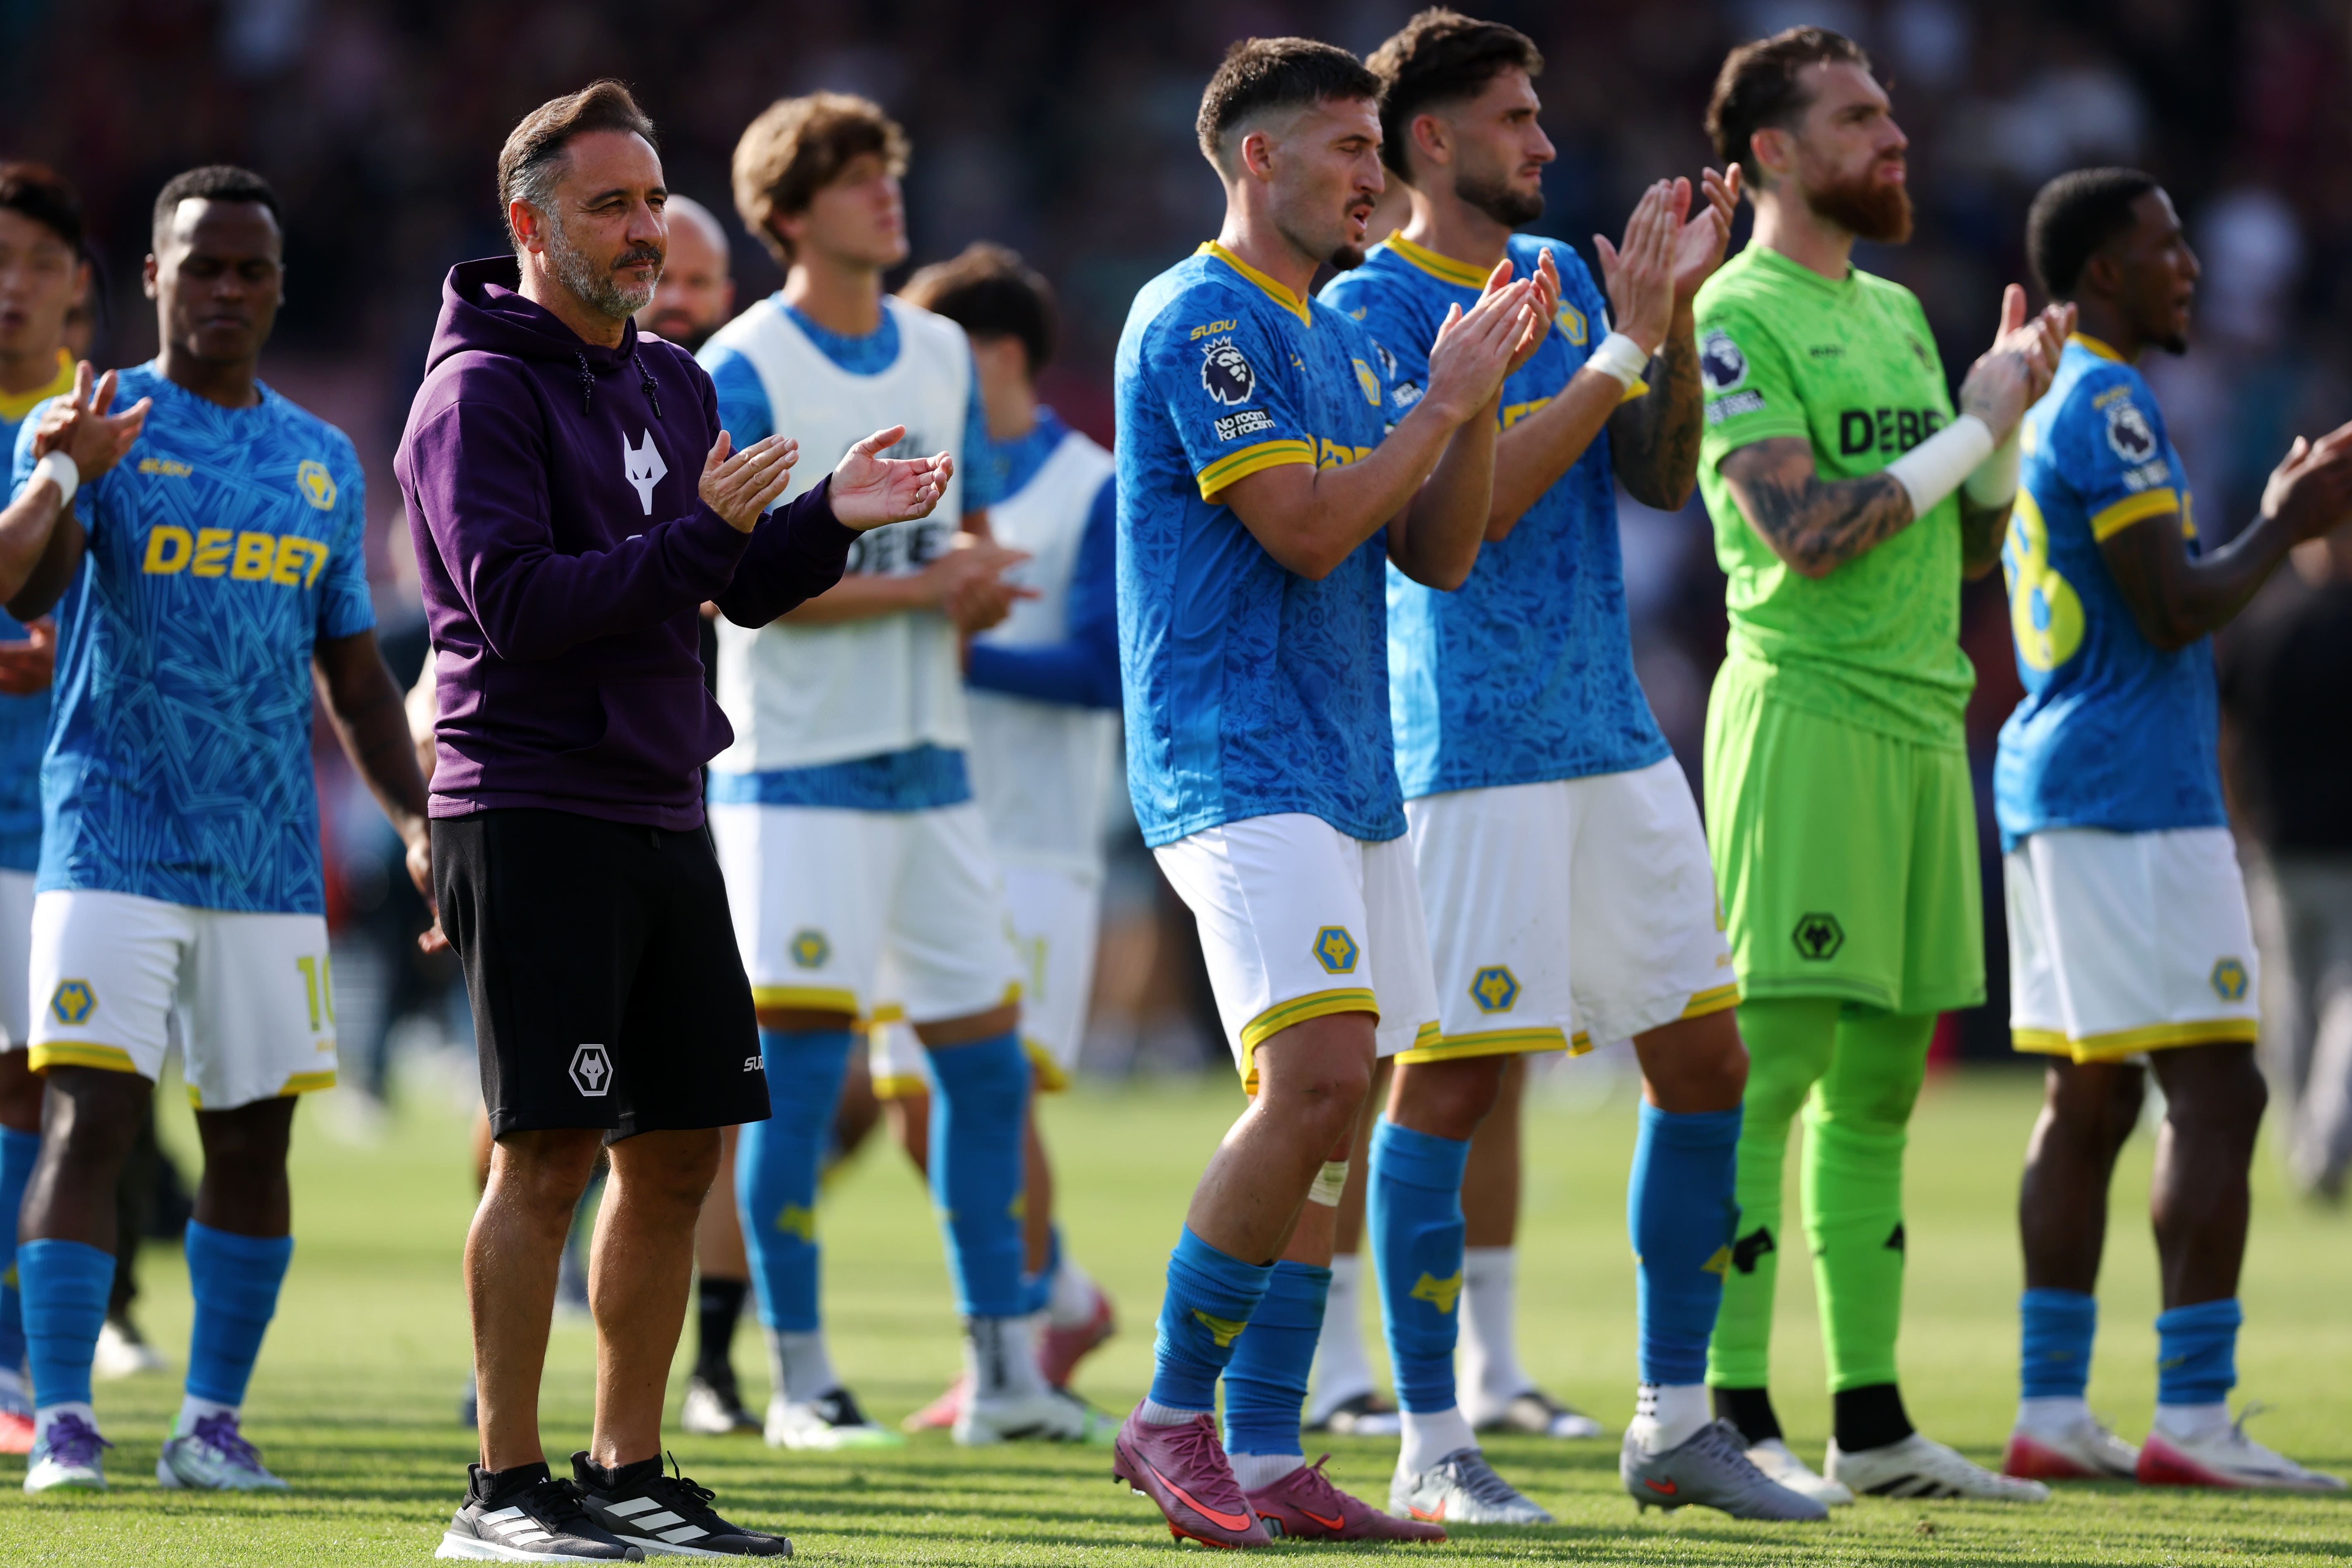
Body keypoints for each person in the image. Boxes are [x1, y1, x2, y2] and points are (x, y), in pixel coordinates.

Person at [399, 82, 953, 1559]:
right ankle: (502, 1493)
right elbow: (516, 611)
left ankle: (626, 1473)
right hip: (530, 800)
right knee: (547, 1152)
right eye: (612, 206)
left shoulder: (667, 377)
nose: (646, 230)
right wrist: (701, 537)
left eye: (653, 202)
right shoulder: (476, 394)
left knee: (681, 1153)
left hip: (660, 799)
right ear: (530, 224)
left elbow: (737, 589)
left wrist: (829, 513)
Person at [1324, 9, 1820, 1524]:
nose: (1545, 144)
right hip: (1465, 747)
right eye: (1516, 121)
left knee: (1704, 1062)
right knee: (1453, 1082)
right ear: (1433, 140)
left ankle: (1672, 1423)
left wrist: (1658, 331)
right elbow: (1453, 544)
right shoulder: (1372, 308)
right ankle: (1428, 1447)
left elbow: (1658, 476)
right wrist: (1613, 350)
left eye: (1541, 119)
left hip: (1607, 732)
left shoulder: (1546, 281)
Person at [1110, 34, 1546, 1547]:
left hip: (1350, 768)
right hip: (1232, 760)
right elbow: (1300, 530)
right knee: (1309, 1083)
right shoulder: (1199, 320)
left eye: (1379, 148)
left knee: (1336, 1111)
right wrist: (1436, 404)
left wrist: (1472, 394)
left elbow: (1434, 552)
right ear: (1259, 161)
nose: (1376, 175)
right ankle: (1167, 1419)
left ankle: (1272, 1448)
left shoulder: (1351, 339)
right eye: (1350, 149)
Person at [2, 163, 419, 1497]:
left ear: (280, 287)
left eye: (250, 269)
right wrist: (69, 469)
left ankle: (211, 1422)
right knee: (92, 1119)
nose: (226, 288)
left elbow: (353, 674)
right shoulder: (94, 419)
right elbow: (30, 586)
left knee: (255, 1138)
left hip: (264, 859)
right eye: (201, 265)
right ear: (151, 279)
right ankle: (63, 1413)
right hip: (110, 836)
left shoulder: (316, 460)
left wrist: (416, 817)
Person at [1693, 27, 2067, 1503]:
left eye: (1888, 107)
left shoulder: (1907, 319)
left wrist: (2002, 437)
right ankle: (1725, 1407)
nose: (1891, 133)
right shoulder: (1737, 307)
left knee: (1878, 1091)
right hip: (1806, 713)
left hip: (1924, 717)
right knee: (1767, 1071)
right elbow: (1808, 530)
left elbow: (1955, 540)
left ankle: (1869, 1423)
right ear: (1771, 153)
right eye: (1857, 116)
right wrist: (1967, 424)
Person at [699, 92, 1078, 1451]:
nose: (887, 196)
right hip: (795, 774)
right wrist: (929, 599)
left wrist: (968, 582)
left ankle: (1005, 1374)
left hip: (933, 772)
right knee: (796, 1089)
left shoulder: (932, 347)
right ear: (789, 212)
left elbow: (953, 526)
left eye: (890, 173)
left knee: (983, 1074)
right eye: (858, 179)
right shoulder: (741, 362)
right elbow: (736, 584)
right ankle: (800, 1381)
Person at [1994, 167, 2352, 1494]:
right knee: (2217, 1084)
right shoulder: (2113, 401)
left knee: (2085, 1095)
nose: (2189, 266)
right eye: (2164, 247)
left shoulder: (2047, 400)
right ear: (2101, 276)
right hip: (2132, 791)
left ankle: (2044, 1404)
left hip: (2058, 781)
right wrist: (2287, 519)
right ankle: (2192, 1413)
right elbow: (2171, 606)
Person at [884, 242, 1122, 1431]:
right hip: (919, 822)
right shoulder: (915, 484)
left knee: (992, 1090)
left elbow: (1101, 670)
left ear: (998, 355)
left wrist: (959, 642)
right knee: (912, 1104)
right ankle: (1056, 1291)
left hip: (1033, 838)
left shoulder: (1092, 487)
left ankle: (1016, 1341)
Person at [620, 188, 765, 1441]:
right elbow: (485, 618)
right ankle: (506, 1396)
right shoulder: (547, 400)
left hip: (708, 800)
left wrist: (822, 519)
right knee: (535, 1124)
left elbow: (753, 580)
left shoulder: (707, 406)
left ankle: (703, 1369)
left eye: (697, 278)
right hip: (556, 800)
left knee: (699, 1121)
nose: (675, 291)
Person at [0, 160, 87, 1457]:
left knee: (34, 1092)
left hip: (66, 823)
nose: (10, 284)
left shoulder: (120, 418)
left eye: (33, 262)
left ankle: (21, 1370)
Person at [2225, 532, 2352, 1203]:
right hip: (2336, 852)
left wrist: (2239, 813)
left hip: (2274, 847)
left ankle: (2302, 1142)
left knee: (2292, 1006)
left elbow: (2223, 726)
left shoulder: (2265, 618)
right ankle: (2323, 1143)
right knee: (2343, 1005)